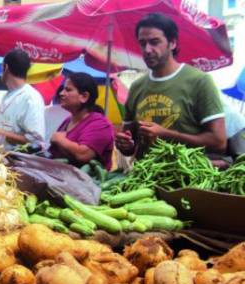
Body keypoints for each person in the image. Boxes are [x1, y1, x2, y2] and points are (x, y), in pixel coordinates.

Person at [116, 13, 226, 159]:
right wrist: (126, 144)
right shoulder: (136, 87)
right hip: (145, 177)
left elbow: (219, 142)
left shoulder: (199, 81)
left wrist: (166, 134)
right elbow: (130, 144)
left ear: (172, 43)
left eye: (155, 42)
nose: (147, 50)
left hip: (188, 178)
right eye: (142, 43)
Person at [0, 49, 45, 151]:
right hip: (0, 160)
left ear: (5, 68)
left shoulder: (31, 97)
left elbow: (36, 142)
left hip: (18, 164)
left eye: (1, 67)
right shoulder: (8, 95)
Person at [48, 73, 115, 169]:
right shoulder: (68, 120)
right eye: (63, 89)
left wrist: (59, 139)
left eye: (68, 90)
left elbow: (83, 155)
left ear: (84, 96)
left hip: (87, 182)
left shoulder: (100, 124)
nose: (61, 93)